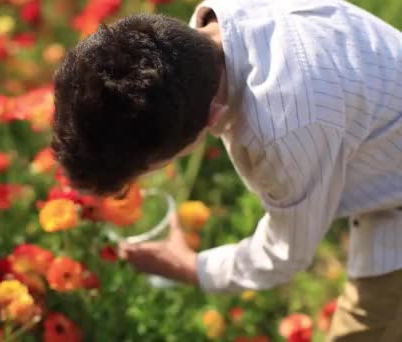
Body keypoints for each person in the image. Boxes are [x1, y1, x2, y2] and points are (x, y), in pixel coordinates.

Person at [51, 0, 402, 340]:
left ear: (213, 118)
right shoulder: (217, 25)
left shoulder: (285, 125)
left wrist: (192, 268)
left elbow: (287, 252)